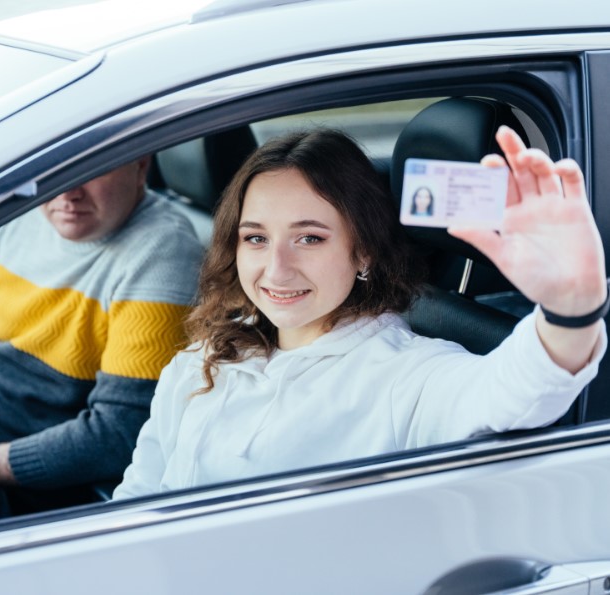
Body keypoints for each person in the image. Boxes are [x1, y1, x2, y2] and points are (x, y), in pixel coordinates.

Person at [113, 127, 607, 499]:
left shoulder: (405, 377)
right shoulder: (207, 355)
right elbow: (137, 499)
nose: (275, 270)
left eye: (310, 238)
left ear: (364, 251)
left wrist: (570, 309)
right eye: (256, 238)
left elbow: (513, 391)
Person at [0, 157, 203, 519]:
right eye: (55, 168)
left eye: (94, 168)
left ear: (140, 165)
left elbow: (116, 435)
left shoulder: (163, 254)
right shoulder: (28, 211)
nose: (67, 192)